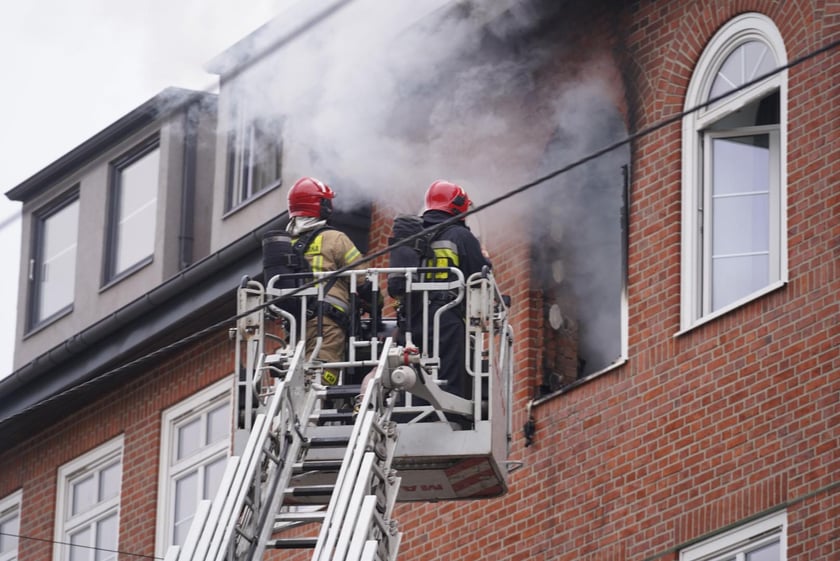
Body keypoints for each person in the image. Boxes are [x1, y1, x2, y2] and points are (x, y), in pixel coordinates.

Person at [410, 180, 491, 399]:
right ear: (459, 205)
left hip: (413, 318)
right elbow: (479, 274)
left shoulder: (412, 236)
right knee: (452, 384)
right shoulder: (461, 236)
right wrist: (485, 260)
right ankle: (450, 412)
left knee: (415, 375)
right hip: (447, 316)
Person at [285, 176, 363, 386]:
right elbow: (362, 278)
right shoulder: (335, 239)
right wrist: (376, 303)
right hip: (327, 325)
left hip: (294, 327)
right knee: (321, 380)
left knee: (298, 377)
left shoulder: (285, 244)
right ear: (322, 206)